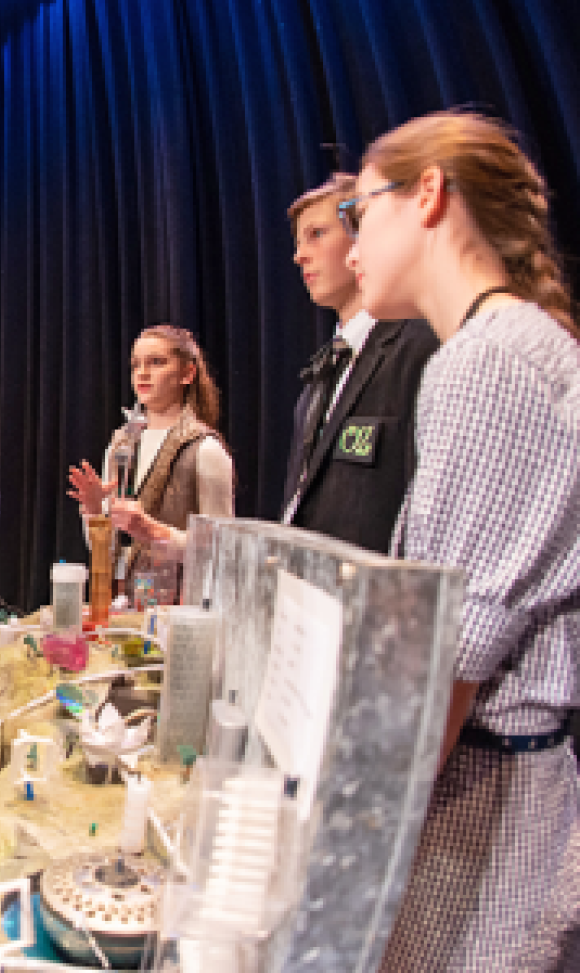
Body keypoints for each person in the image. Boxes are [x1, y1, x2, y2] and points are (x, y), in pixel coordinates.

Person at [342, 110, 579, 972]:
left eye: (359, 211)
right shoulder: (512, 346)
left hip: (482, 807)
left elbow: (448, 657)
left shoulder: (489, 360)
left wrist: (346, 845)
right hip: (492, 790)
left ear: (430, 193)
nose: (350, 242)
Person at [279, 174, 438, 552]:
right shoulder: (321, 374)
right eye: (298, 241)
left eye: (317, 234)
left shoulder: (420, 348)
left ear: (363, 233)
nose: (299, 254)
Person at [66, 325, 233, 590]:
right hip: (125, 604)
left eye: (157, 362)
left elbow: (222, 552)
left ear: (188, 373)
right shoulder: (120, 446)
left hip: (180, 609)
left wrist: (153, 532)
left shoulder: (205, 449)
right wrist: (94, 513)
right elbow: (108, 553)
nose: (142, 373)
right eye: (136, 365)